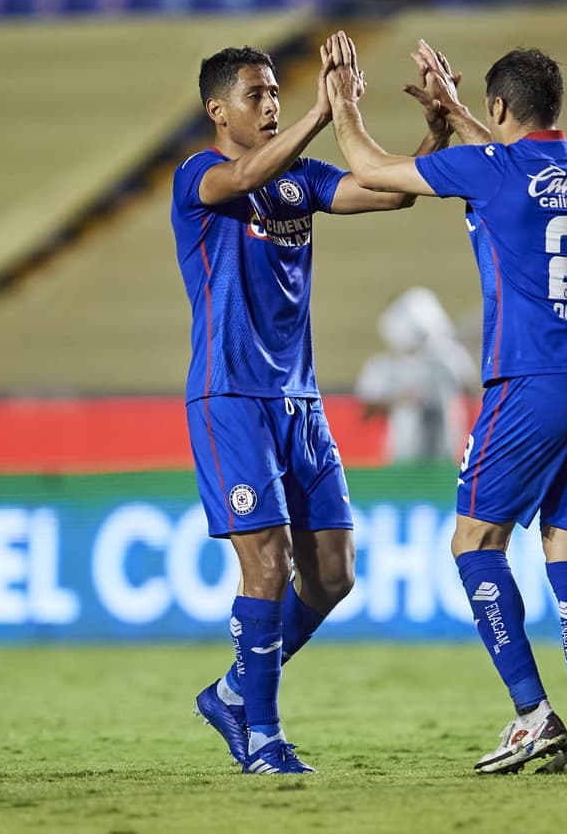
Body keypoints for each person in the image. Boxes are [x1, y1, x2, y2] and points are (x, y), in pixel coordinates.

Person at [323, 32, 567, 774]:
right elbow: (508, 158)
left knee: (474, 545)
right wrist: (457, 112)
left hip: (531, 385)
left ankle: (532, 715)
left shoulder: (489, 169)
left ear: (499, 106)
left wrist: (342, 105)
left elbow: (369, 167)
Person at [171, 44, 451, 775]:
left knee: (332, 572)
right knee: (267, 564)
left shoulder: (300, 178)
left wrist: (437, 132)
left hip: (299, 399)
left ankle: (235, 691)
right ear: (218, 110)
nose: (270, 104)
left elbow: (389, 193)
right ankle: (264, 739)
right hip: (231, 395)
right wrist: (324, 111)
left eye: (275, 93)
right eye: (257, 95)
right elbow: (243, 178)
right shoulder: (199, 176)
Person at [354, 285, 476, 463]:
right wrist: (399, 400)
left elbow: (471, 390)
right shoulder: (385, 364)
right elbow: (366, 408)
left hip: (447, 451)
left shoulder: (448, 356)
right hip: (404, 455)